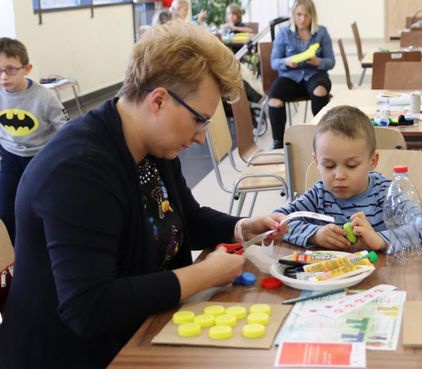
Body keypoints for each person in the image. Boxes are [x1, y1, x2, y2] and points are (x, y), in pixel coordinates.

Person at [0, 22, 287, 368]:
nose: (200, 137)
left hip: (138, 332)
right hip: (75, 354)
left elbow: (184, 219)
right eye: (200, 120)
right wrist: (203, 275)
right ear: (159, 100)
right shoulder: (79, 170)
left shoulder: (151, 145)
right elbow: (88, 308)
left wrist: (241, 227)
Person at [275, 105, 422, 250]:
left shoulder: (385, 193)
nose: (339, 176)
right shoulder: (318, 195)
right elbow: (277, 223)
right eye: (329, 165)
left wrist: (382, 240)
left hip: (381, 280)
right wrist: (314, 235)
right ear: (317, 161)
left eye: (351, 165)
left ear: (372, 161)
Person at [0, 37, 68, 245]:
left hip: (39, 156)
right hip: (10, 157)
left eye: (11, 69)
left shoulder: (44, 97)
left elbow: (65, 129)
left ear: (27, 69)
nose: (4, 76)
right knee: (5, 207)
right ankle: (16, 248)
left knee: (41, 204)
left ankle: (47, 244)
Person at [268, 0, 335, 149]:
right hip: (290, 76)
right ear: (293, 15)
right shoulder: (283, 33)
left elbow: (331, 61)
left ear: (313, 15)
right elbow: (274, 62)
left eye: (307, 15)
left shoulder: (322, 33)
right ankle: (278, 143)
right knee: (274, 99)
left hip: (315, 75)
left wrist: (318, 62)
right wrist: (286, 61)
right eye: (299, 15)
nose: (303, 19)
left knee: (320, 90)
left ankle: (323, 139)